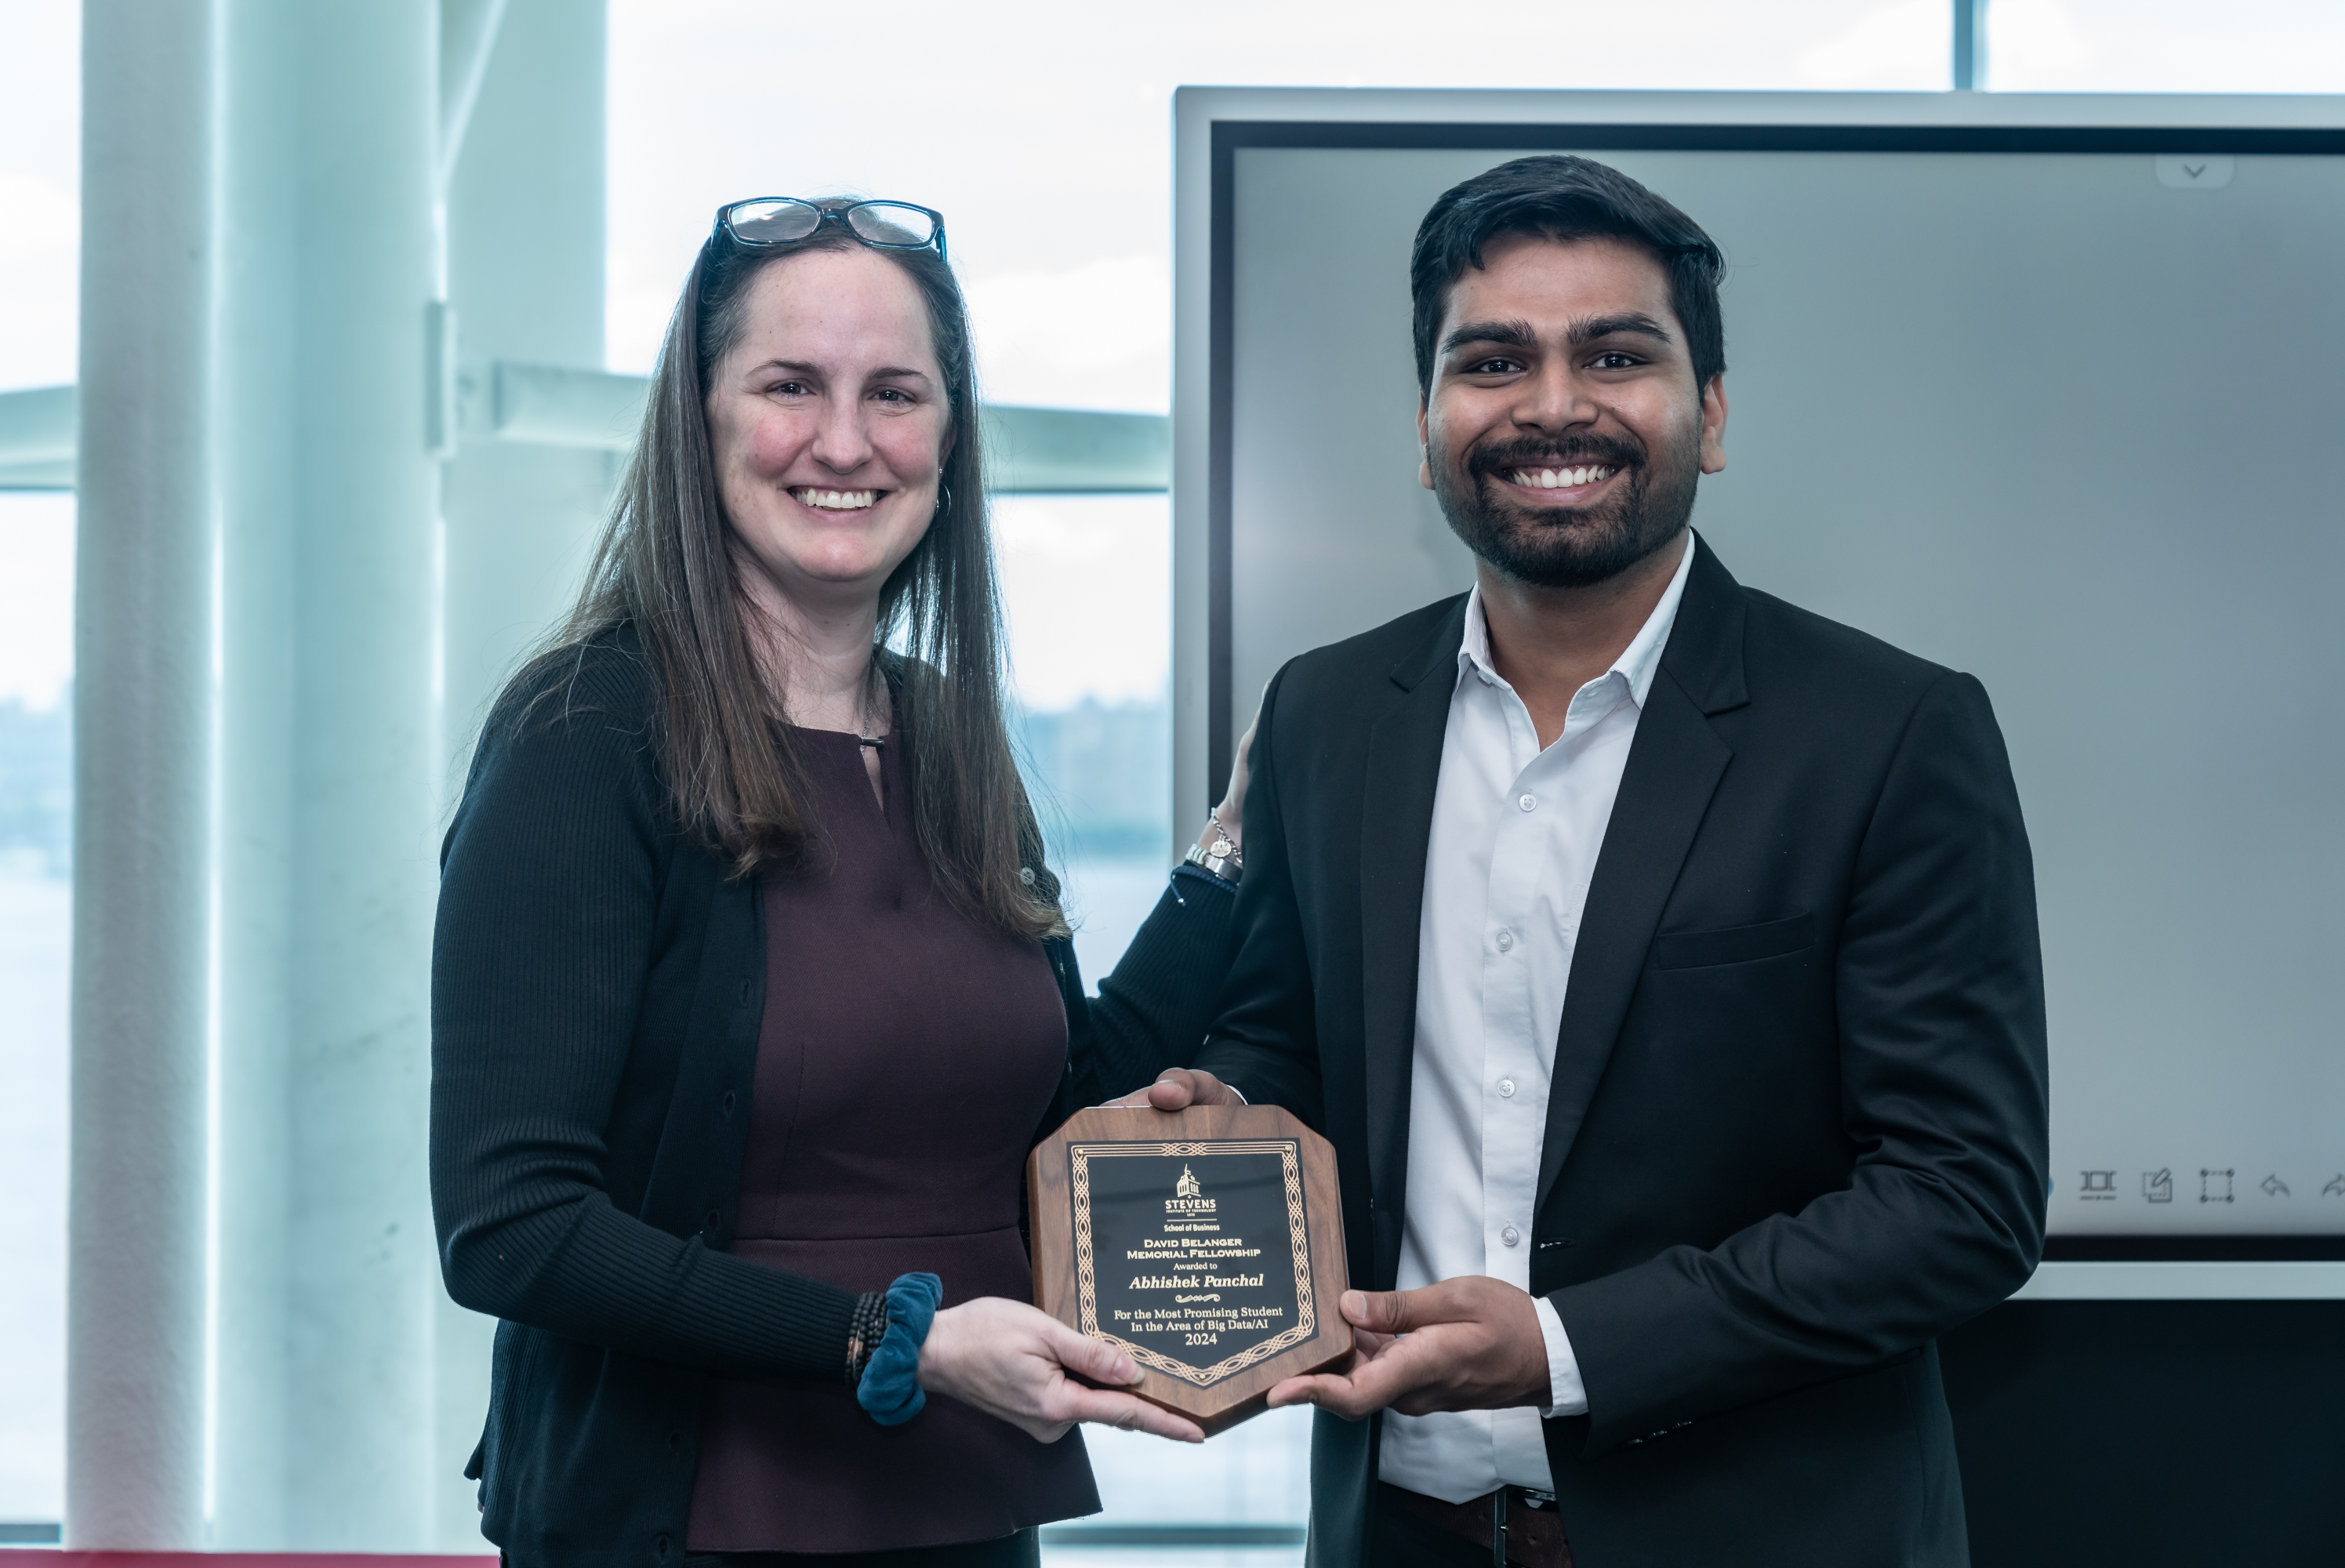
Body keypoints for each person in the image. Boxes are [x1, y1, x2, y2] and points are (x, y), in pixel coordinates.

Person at [1130, 155, 2049, 1566]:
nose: (1553, 405)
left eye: (1616, 356)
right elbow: (1291, 1041)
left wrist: (1560, 1348)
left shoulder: (1889, 731)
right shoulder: (1326, 712)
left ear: (1711, 414)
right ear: (1427, 428)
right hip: (1400, 1534)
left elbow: (1960, 1200)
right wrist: (1228, 1117)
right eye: (1493, 361)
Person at [430, 196, 1256, 1568]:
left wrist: (1232, 854)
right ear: (699, 423)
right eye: (789, 386)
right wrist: (889, 1340)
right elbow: (511, 1228)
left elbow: (1047, 1115)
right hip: (680, 1531)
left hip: (970, 1510)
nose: (844, 441)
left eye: (894, 394)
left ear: (948, 438)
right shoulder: (583, 735)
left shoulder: (949, 734)